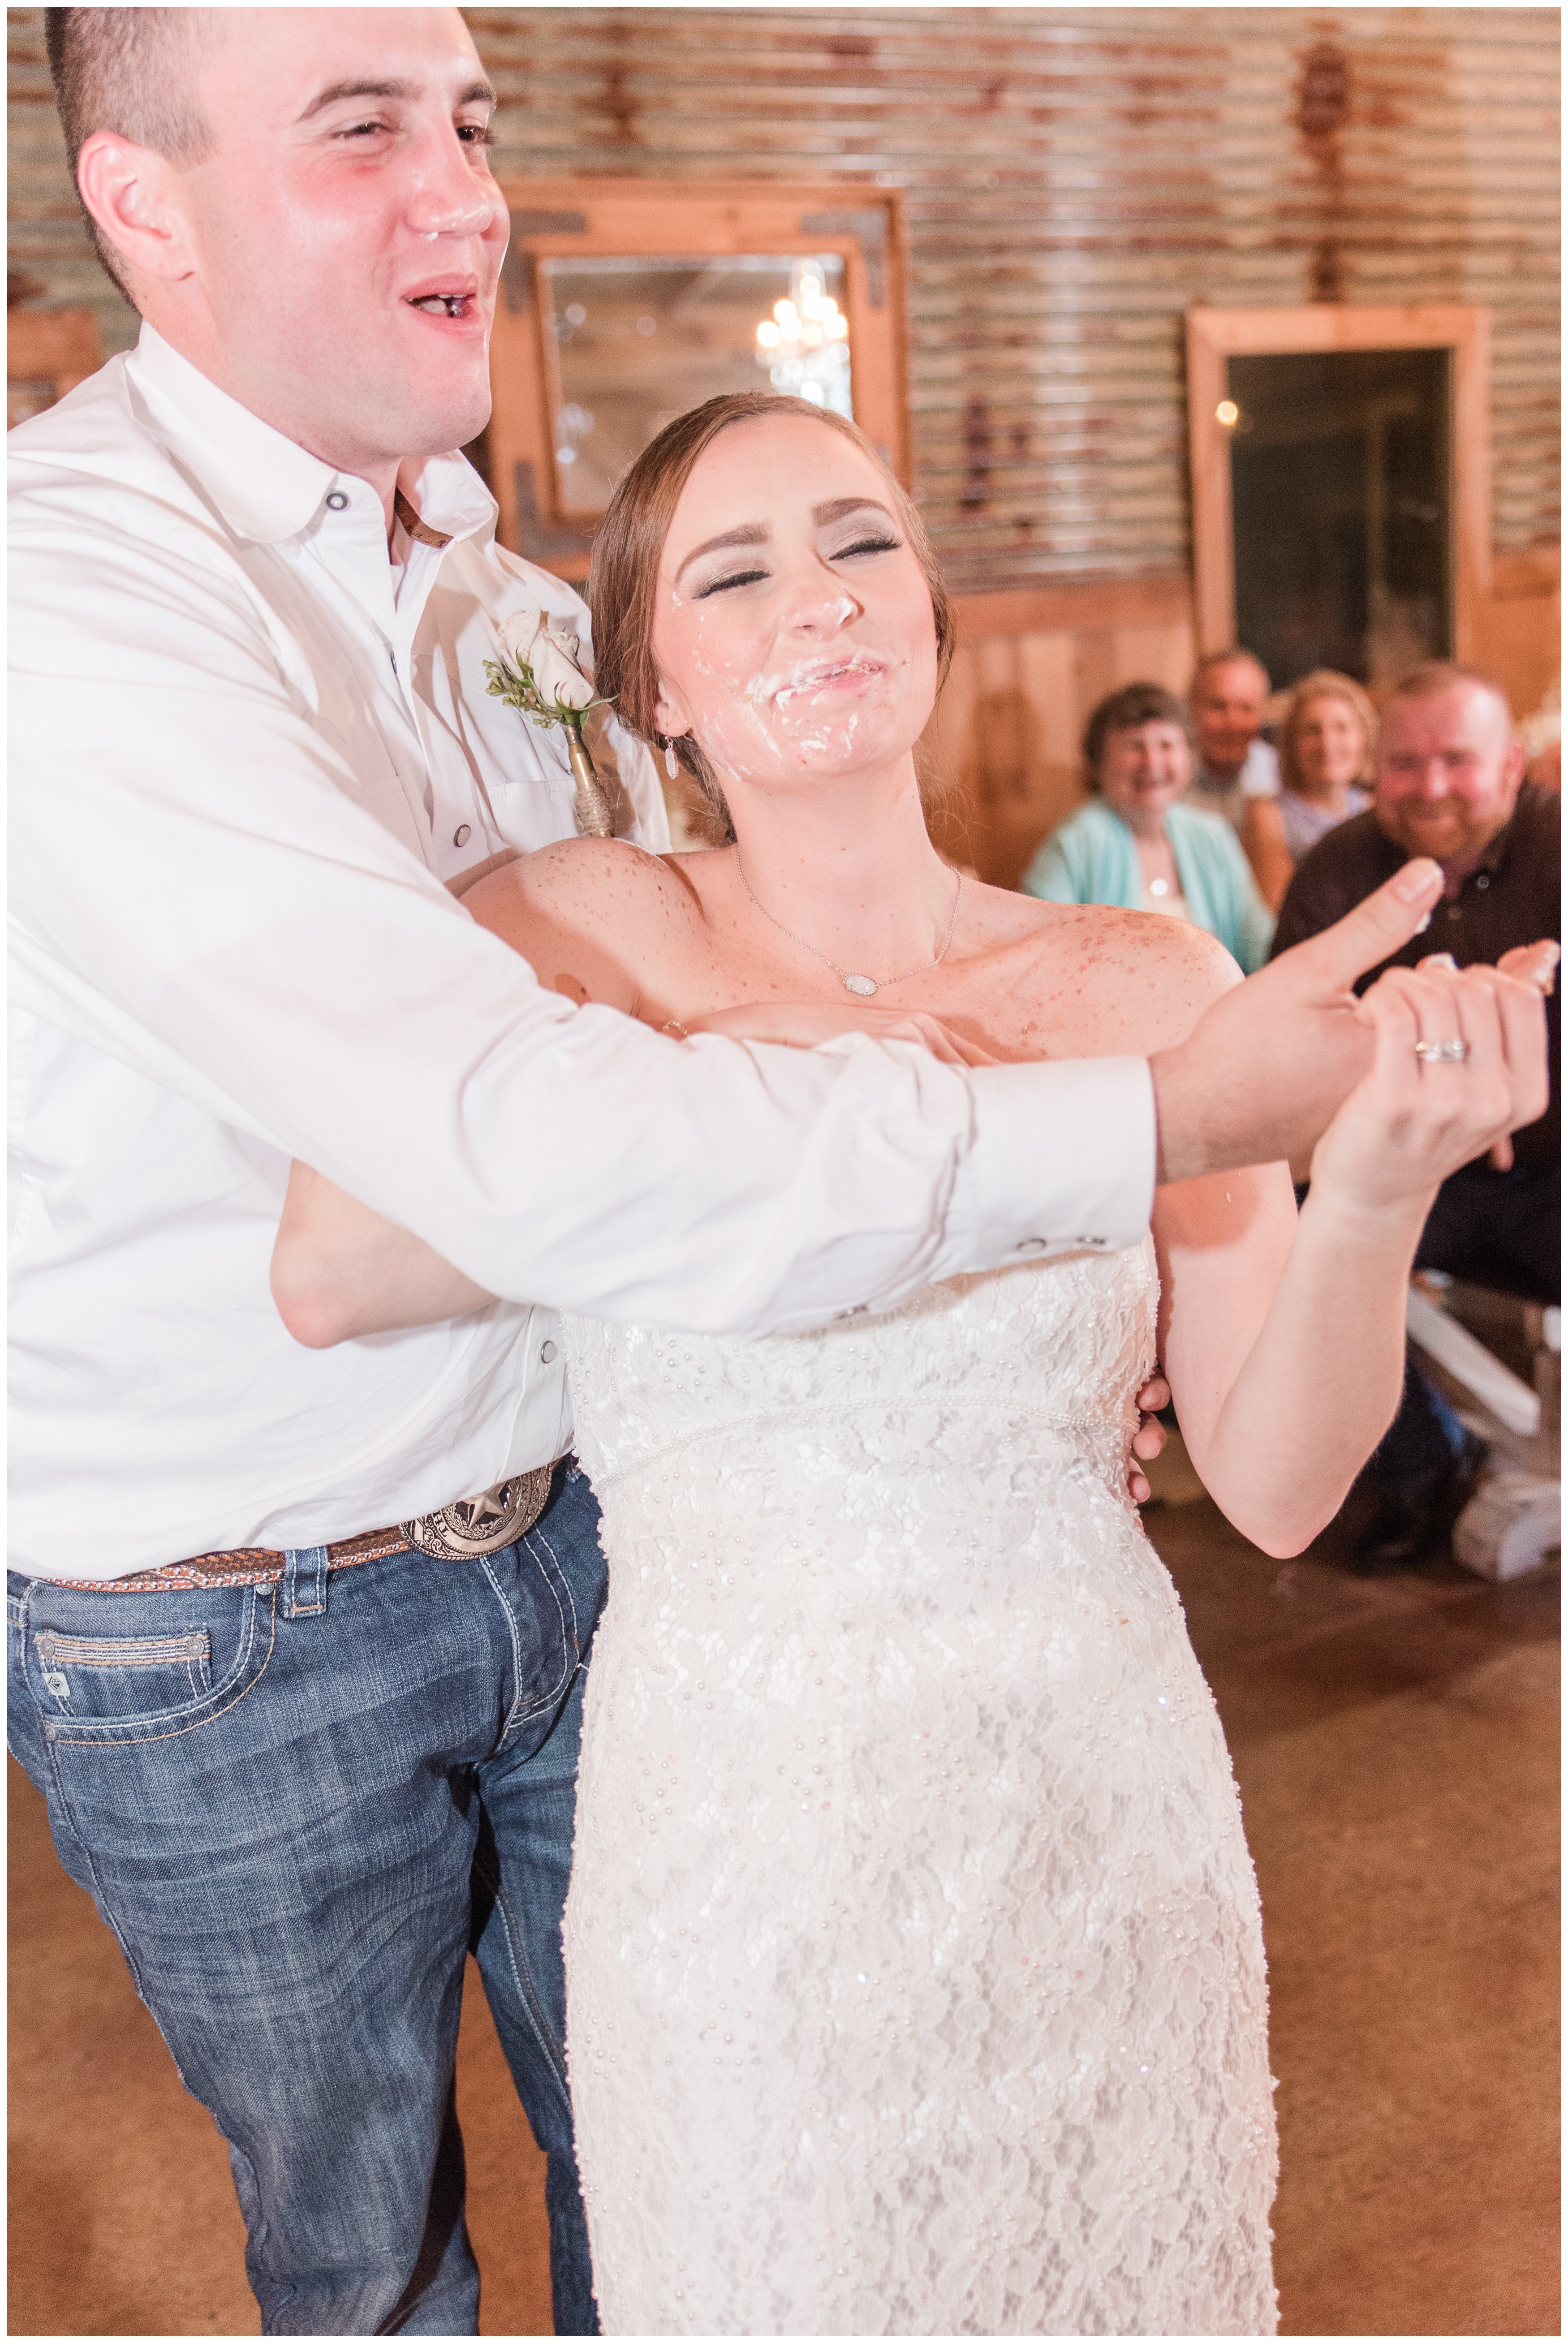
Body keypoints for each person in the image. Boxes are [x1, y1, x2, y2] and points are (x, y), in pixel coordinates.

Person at [5, 12, 1479, 2334]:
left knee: (680, 2227)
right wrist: (1139, 1130)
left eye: (473, 123)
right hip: (248, 1600)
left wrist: (1297, 1201)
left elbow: (1265, 1462)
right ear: (145, 205)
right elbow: (466, 1172)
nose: (462, 190)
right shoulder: (98, 601)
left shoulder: (504, 609)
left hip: (777, 1637)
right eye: (361, 127)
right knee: (362, 2251)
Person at [272, 393, 1551, 2335]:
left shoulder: (1133, 984)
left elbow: (1282, 1487)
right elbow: (334, 1263)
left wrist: (1371, 1186)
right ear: (657, 688)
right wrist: (819, 1114)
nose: (821, 601)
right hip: (741, 1842)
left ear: (935, 612)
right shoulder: (575, 942)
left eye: (863, 544)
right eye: (737, 570)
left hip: (1094, 1816)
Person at [1273, 662, 1560, 1573]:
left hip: (1551, 1165)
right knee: (1271, 1244)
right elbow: (1293, 1045)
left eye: (1456, 760)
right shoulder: (1339, 867)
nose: (1430, 787)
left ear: (1510, 763)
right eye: (1405, 763)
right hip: (1407, 1168)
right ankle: (1424, 1466)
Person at [1020, 681, 1277, 972]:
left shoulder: (1212, 834)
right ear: (1098, 762)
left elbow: (1259, 944)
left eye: (1166, 745)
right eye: (1133, 746)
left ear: (1189, 756)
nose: (1152, 762)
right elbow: (1035, 954)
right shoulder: (1074, 843)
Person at [1242, 667, 1376, 911]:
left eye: (1342, 728)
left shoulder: (1375, 809)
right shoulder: (1268, 815)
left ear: (1364, 739)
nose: (1327, 743)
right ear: (1292, 744)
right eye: (1312, 730)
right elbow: (1282, 908)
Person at [1184, 646, 1281, 827]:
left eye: (1246, 708)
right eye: (1219, 706)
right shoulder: (1166, 782)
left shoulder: (1282, 775)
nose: (1233, 723)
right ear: (1192, 708)